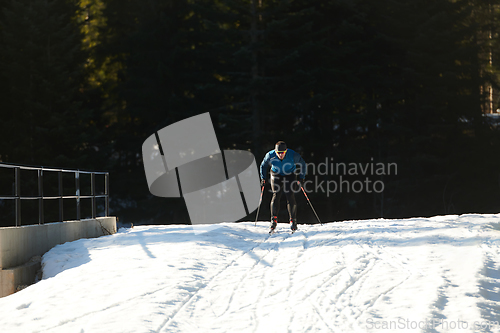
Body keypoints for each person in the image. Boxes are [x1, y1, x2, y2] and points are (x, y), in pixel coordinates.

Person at [260, 141, 306, 231]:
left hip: (290, 174)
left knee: (290, 195)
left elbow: (303, 164)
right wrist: (263, 178)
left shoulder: (292, 155)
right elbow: (263, 165)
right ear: (275, 151)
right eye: (278, 153)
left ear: (286, 151)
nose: (280, 155)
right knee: (276, 194)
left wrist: (301, 178)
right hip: (276, 174)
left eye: (283, 153)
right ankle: (273, 220)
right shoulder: (270, 155)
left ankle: (293, 221)